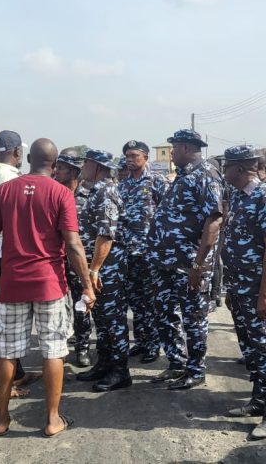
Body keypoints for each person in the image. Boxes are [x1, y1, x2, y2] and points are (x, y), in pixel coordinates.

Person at [0, 138, 95, 438]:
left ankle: (1, 419)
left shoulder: (5, 190)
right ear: (55, 164)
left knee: (7, 353)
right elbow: (73, 244)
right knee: (53, 352)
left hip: (13, 284)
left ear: (28, 159)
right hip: (50, 284)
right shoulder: (61, 193)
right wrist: (87, 285)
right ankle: (52, 419)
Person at [147, 129, 224, 390]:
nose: (172, 152)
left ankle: (196, 370)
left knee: (193, 318)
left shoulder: (206, 174)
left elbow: (213, 221)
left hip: (189, 264)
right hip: (166, 262)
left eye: (175, 147)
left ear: (187, 148)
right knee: (165, 312)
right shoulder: (182, 176)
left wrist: (198, 265)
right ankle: (176, 363)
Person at [220, 145, 266, 440]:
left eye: (227, 166)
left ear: (240, 168)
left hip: (258, 289)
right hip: (239, 287)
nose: (224, 171)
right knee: (249, 348)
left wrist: (265, 294)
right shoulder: (236, 195)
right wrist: (231, 288)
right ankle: (258, 400)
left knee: (265, 348)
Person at [0, 131, 40, 396]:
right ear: (16, 152)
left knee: (5, 317)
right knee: (6, 321)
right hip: (5, 252)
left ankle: (17, 374)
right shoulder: (10, 180)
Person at [76, 149, 131, 392]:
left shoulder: (107, 192)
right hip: (98, 267)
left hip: (108, 267)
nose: (83, 168)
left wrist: (95, 270)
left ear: (97, 166)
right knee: (101, 318)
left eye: (86, 163)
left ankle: (120, 371)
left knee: (113, 320)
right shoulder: (96, 190)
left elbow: (106, 235)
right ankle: (105, 364)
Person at [118, 140, 168, 364]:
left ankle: (153, 344)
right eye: (127, 156)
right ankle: (140, 341)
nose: (129, 160)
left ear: (145, 158)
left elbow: (167, 214)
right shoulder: (123, 185)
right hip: (129, 252)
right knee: (135, 301)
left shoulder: (157, 181)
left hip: (149, 252)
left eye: (134, 156)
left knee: (150, 301)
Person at [55, 149, 90, 367]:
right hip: (56, 258)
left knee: (81, 303)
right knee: (57, 305)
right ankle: (57, 347)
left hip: (78, 258)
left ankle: (82, 346)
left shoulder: (89, 195)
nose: (56, 171)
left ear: (74, 170)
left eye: (61, 168)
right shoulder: (53, 193)